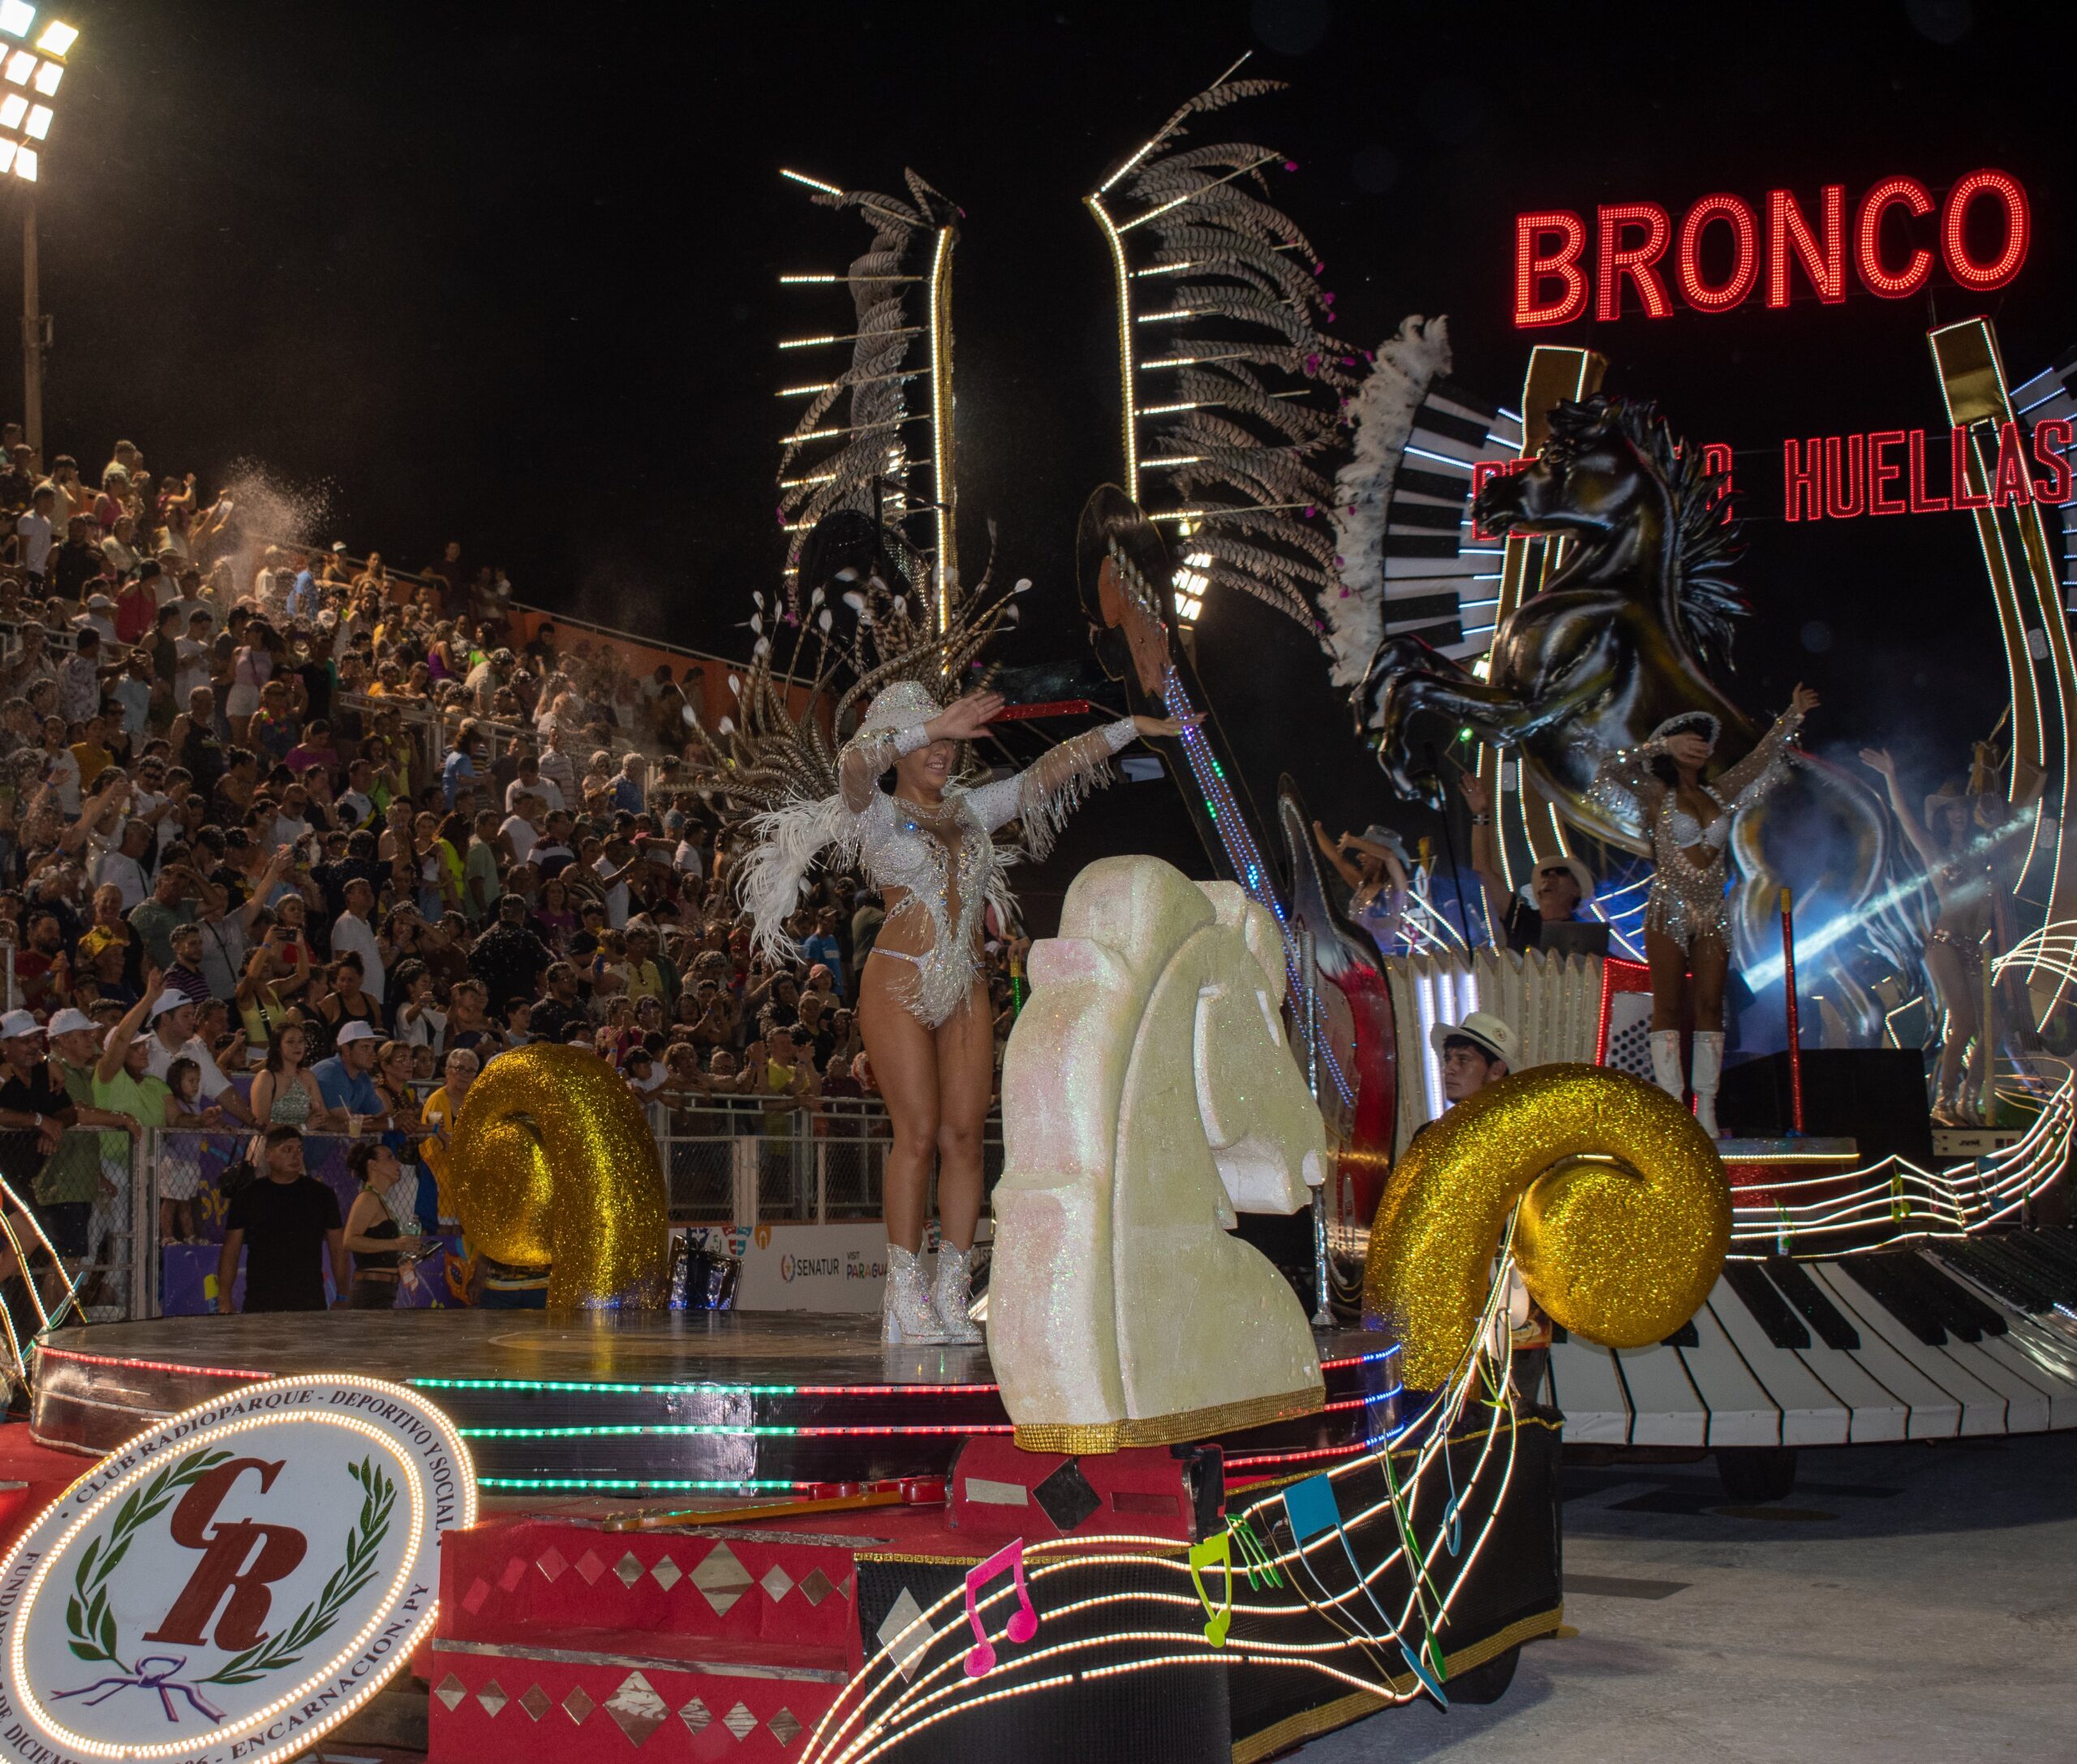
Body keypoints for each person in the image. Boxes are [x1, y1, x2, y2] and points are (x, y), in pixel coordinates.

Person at [738, 678, 1188, 1344]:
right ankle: (903, 1294)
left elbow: (1045, 774)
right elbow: (853, 764)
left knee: (966, 1140)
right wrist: (930, 724)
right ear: (905, 744)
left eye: (952, 740)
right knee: (916, 1135)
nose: (944, 751)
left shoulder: (974, 809)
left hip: (966, 986)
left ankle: (952, 1289)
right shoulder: (875, 812)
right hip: (899, 983)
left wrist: (1128, 729)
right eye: (933, 741)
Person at [1591, 688, 1818, 1137]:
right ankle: (1673, 1105)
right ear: (1675, 748)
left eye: (1703, 741)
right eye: (1689, 740)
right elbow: (1608, 768)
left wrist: (1791, 714)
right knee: (1669, 1004)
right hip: (1668, 908)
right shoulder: (1655, 793)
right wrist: (1658, 747)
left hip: (1712, 910)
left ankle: (1706, 1109)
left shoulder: (1721, 791)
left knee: (1713, 1005)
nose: (1700, 746)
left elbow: (1761, 757)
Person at [1860, 747, 2000, 1125]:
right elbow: (1905, 819)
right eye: (1951, 808)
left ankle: (1968, 1101)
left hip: (1973, 947)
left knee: (1993, 1028)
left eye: (1962, 808)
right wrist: (1891, 775)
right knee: (1965, 1021)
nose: (1957, 814)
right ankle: (1942, 1102)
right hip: (1944, 944)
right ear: (1942, 814)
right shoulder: (1934, 851)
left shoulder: (1981, 854)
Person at [216, 1125, 348, 1313]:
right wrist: (224, 1299)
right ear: (268, 1155)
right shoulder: (248, 1196)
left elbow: (338, 1247)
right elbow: (231, 1251)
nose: (296, 1156)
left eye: (300, 1150)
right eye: (287, 1150)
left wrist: (343, 1294)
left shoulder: (321, 1195)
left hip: (309, 1302)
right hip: (261, 1301)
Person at [1456, 775, 1596, 953]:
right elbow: (1483, 869)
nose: (1549, 877)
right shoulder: (1518, 918)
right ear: (1537, 891)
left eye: (1560, 872)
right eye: (1544, 874)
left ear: (1576, 891)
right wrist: (1480, 815)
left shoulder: (1586, 937)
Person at [1312, 820, 1413, 956]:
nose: (1359, 856)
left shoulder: (1396, 889)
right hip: (1357, 959)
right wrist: (1316, 830)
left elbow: (1389, 857)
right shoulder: (1362, 885)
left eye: (1364, 852)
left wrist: (1353, 842)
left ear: (1379, 856)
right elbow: (1337, 859)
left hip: (1383, 961)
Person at [342, 1138, 421, 1309]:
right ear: (373, 1165)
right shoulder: (368, 1198)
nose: (398, 1164)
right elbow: (349, 1240)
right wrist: (395, 1243)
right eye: (389, 1158)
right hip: (371, 1289)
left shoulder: (380, 1200)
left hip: (383, 1288)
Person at [249, 1023, 335, 1129]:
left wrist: (347, 1125)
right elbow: (261, 1125)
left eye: (301, 1041)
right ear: (278, 1047)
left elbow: (324, 1117)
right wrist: (303, 1127)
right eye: (291, 1042)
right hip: (272, 1143)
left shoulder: (307, 1076)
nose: (297, 1046)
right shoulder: (266, 1077)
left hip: (304, 1143)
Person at [312, 1019, 387, 1129]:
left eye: (373, 1047)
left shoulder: (362, 1076)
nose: (372, 1053)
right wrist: (392, 1124)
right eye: (365, 1047)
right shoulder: (331, 1071)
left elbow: (380, 1115)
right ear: (346, 1049)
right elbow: (346, 1123)